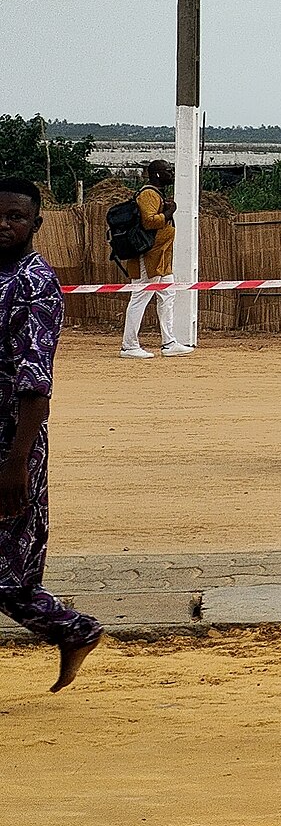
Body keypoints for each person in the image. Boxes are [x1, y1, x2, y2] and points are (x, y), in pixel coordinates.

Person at [0, 178, 103, 690]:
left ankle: (74, 629)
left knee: (6, 574)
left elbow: (35, 383)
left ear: (36, 223)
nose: (4, 224)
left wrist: (18, 462)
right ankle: (73, 630)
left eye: (16, 216)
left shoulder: (33, 284)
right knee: (11, 575)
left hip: (10, 442)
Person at [120, 159, 189, 359]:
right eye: (168, 171)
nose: (172, 173)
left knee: (168, 296)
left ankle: (169, 342)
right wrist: (169, 212)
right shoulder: (148, 194)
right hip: (147, 257)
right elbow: (149, 222)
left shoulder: (158, 194)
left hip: (161, 258)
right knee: (140, 297)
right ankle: (129, 345)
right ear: (157, 174)